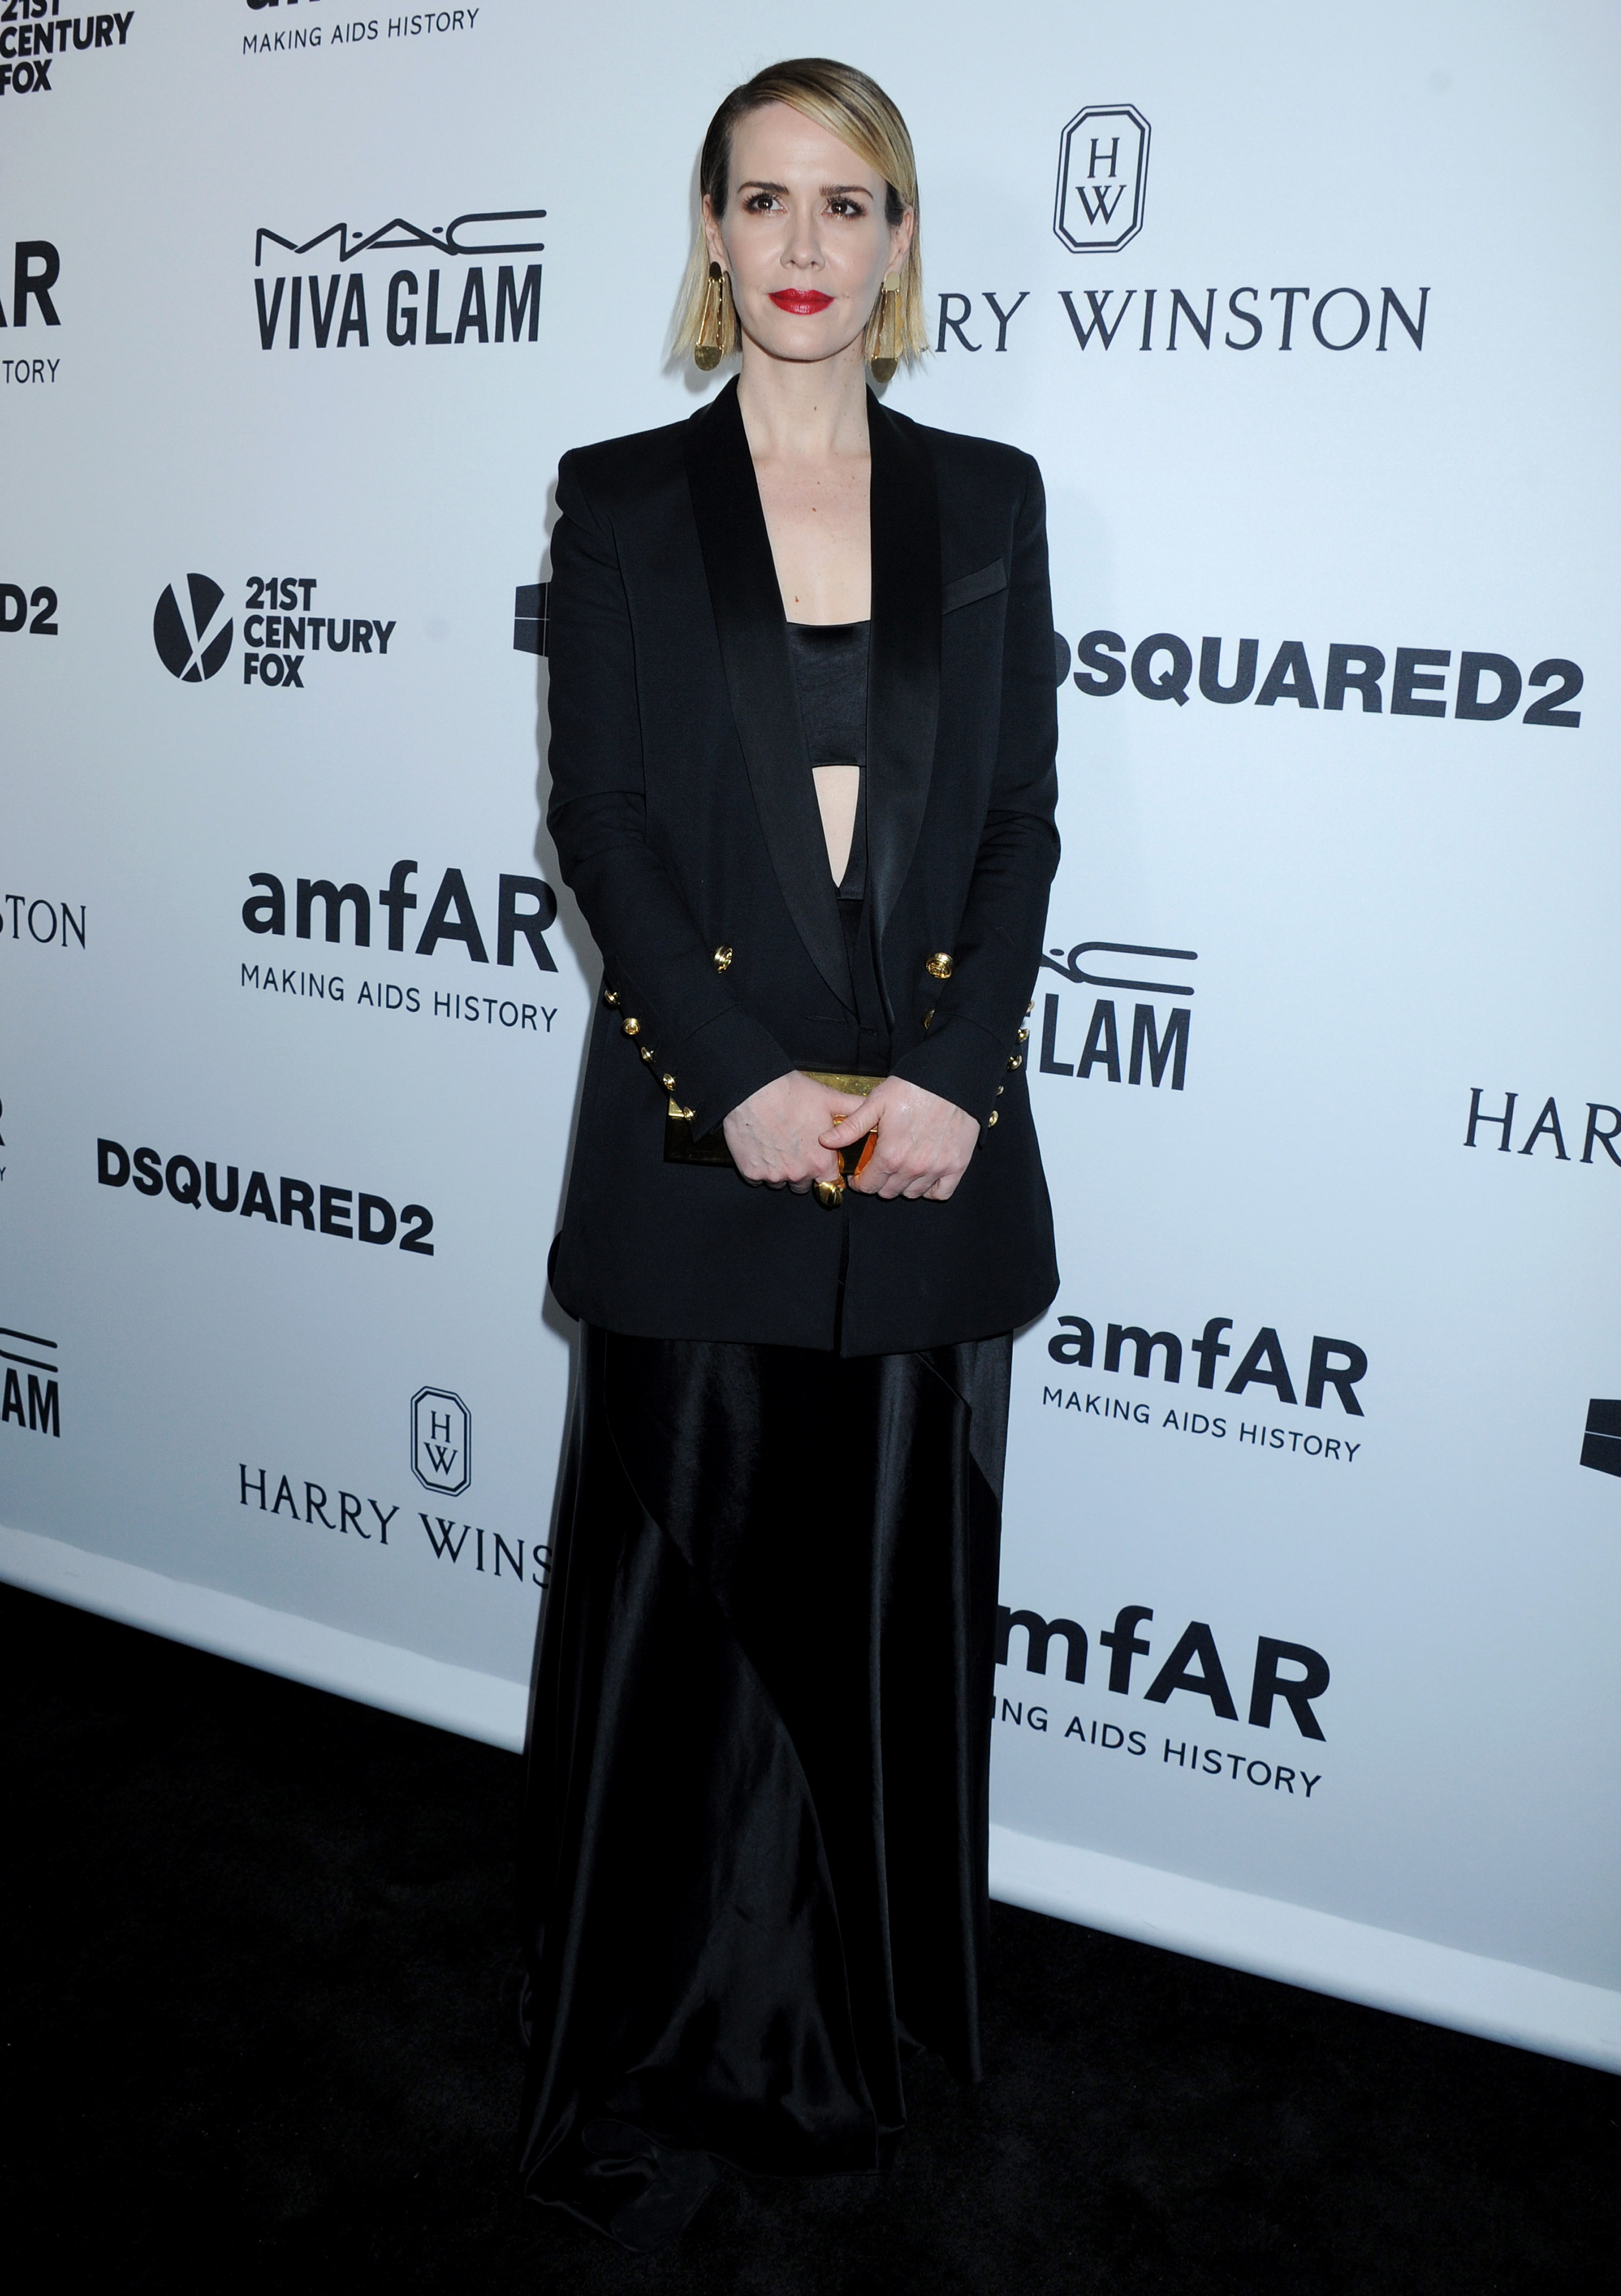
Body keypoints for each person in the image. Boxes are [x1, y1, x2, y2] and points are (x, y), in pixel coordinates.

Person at [518, 56, 1060, 2251]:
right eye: (764, 201)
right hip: (701, 1144)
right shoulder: (620, 500)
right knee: (679, 1612)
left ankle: (862, 2023)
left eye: (850, 203)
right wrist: (731, 1075)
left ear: (901, 237)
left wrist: (956, 1073)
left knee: (879, 1602)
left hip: (922, 1150)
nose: (806, 245)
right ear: (712, 233)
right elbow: (604, 823)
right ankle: (651, 2042)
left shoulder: (990, 497)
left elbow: (1018, 825)